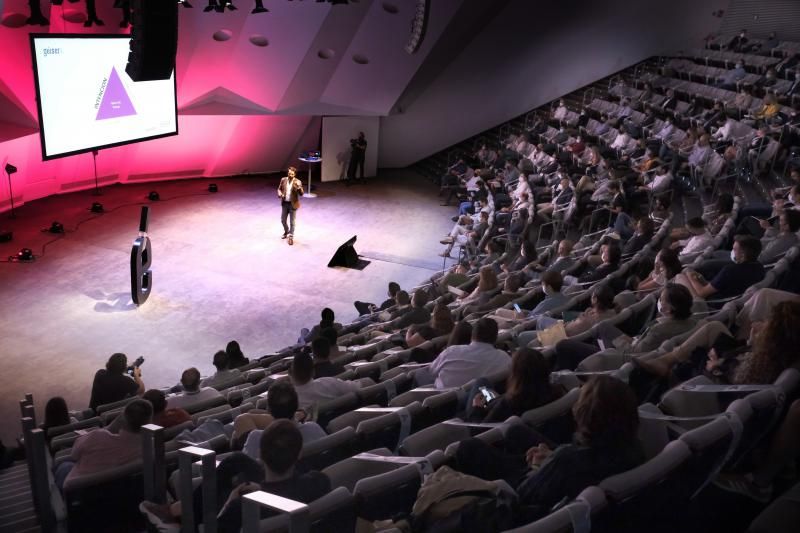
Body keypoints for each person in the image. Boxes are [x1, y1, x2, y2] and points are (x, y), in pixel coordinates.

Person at [454, 375, 643, 521]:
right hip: (576, 469)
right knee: (516, 431)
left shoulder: (565, 460)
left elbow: (522, 494)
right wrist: (551, 457)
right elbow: (580, 460)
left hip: (528, 492)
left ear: (585, 416)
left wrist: (540, 467)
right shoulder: (634, 448)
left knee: (468, 447)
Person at [140, 419, 330, 533]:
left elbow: (218, 528)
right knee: (237, 460)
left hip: (243, 512)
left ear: (261, 455)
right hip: (282, 488)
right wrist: (262, 488)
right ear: (298, 454)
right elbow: (299, 479)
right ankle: (176, 510)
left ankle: (179, 519)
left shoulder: (241, 507)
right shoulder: (319, 481)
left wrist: (230, 501)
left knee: (233, 465)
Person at [553, 284, 696, 371]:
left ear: (669, 308)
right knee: (602, 327)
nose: (659, 301)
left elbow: (634, 353)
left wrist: (626, 341)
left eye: (662, 300)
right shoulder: (691, 323)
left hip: (621, 357)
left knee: (563, 345)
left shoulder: (660, 330)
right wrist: (631, 339)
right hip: (635, 346)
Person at [57, 399, 153, 490]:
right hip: (118, 494)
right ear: (149, 422)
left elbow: (74, 455)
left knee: (64, 465)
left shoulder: (98, 436)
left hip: (80, 493)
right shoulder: (149, 447)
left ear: (123, 418)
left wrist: (108, 428)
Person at [467, 348, 565, 423]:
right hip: (497, 403)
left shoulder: (508, 404)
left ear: (516, 375)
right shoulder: (557, 392)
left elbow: (479, 431)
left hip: (480, 418)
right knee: (484, 387)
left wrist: (476, 408)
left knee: (480, 383)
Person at [236, 381, 327, 459]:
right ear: (296, 406)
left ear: (269, 410)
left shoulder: (256, 438)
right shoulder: (314, 428)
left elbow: (243, 471)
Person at [426, 318, 511, 389]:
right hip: (479, 403)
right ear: (496, 338)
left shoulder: (451, 351)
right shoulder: (505, 359)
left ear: (472, 335)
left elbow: (431, 372)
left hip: (439, 401)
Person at [677, 235, 765, 301]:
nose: (732, 252)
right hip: (731, 299)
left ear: (743, 254)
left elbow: (702, 293)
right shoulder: (760, 268)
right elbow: (721, 285)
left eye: (734, 250)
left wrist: (690, 275)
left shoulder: (730, 270)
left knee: (680, 276)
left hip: (712, 303)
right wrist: (701, 280)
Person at [290, 352, 365, 409]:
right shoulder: (328, 382)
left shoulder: (290, 403)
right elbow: (357, 387)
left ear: (291, 374)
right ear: (313, 372)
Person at [277, 166, 304, 245]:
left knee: (292, 222)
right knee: (283, 220)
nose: (290, 175)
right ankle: (286, 231)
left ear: (294, 174)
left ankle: (291, 237)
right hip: (285, 203)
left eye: (292, 174)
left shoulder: (298, 182)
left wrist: (299, 187)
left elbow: (301, 194)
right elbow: (279, 189)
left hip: (293, 205)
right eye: (289, 173)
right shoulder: (283, 180)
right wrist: (280, 193)